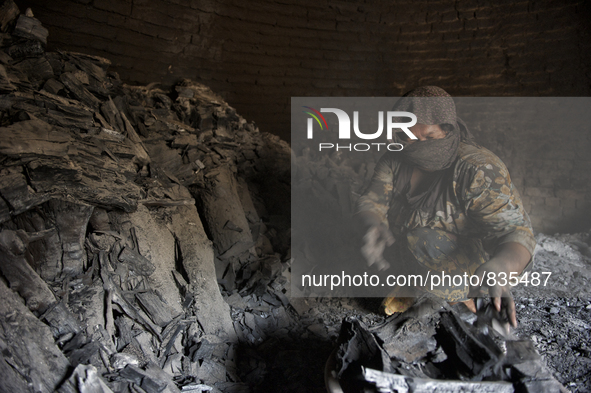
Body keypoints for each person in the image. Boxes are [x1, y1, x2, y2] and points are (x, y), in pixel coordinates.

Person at [355, 86, 536, 327]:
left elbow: (515, 233)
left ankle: (462, 302)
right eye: (407, 135)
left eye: (429, 137)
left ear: (448, 130)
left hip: (468, 264)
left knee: (424, 239)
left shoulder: (477, 169)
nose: (416, 144)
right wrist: (372, 225)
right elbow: (372, 201)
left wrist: (500, 267)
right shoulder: (395, 159)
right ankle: (417, 287)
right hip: (406, 250)